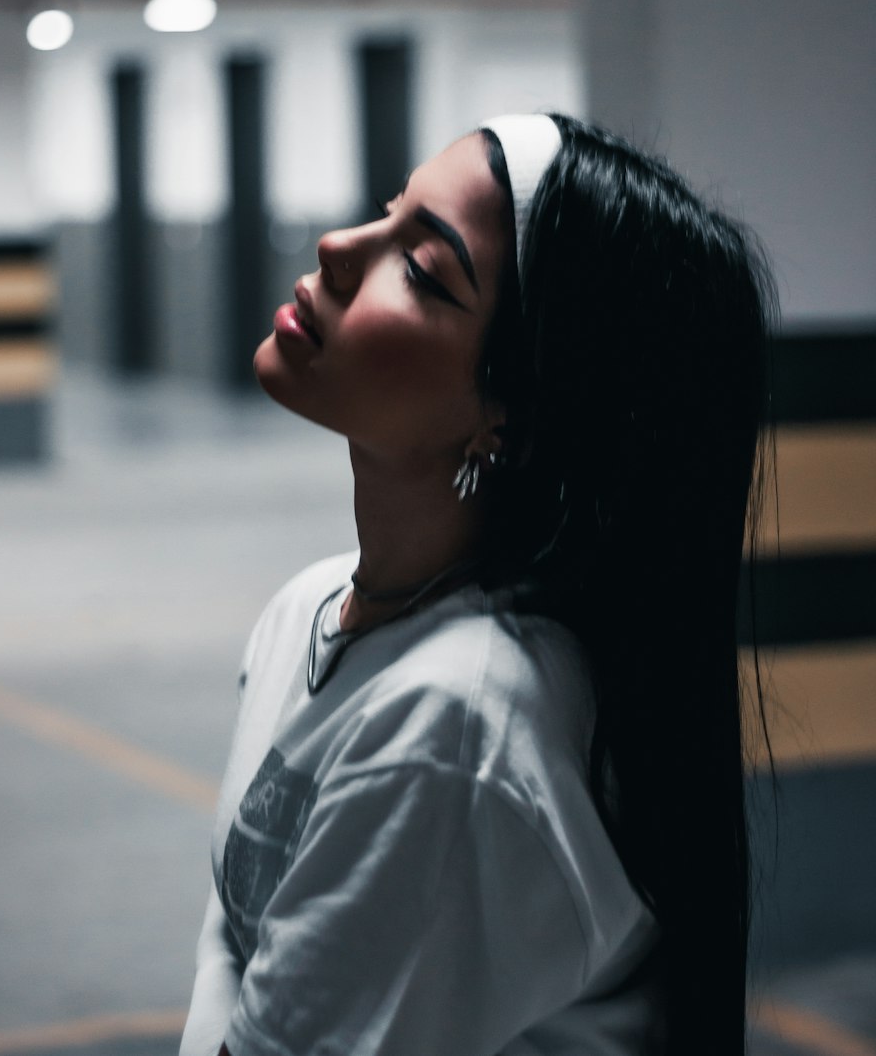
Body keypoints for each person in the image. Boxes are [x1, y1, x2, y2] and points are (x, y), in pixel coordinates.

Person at [180, 113, 775, 1056]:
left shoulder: (455, 726)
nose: (338, 248)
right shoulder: (313, 608)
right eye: (388, 213)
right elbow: (235, 951)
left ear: (510, 417)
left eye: (422, 269)